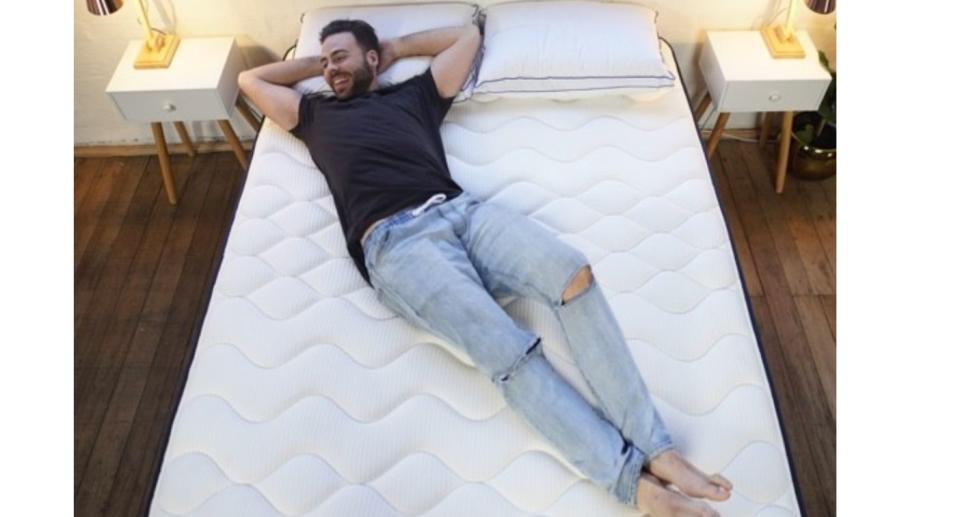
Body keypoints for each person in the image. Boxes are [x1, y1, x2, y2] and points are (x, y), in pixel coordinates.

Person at [238, 19, 733, 516]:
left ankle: (659, 450)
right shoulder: (315, 113)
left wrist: (393, 48)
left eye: (340, 57)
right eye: (325, 62)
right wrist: (318, 62)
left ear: (371, 59)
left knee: (571, 271)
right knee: (507, 349)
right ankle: (634, 485)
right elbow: (251, 81)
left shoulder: (416, 95)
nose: (330, 69)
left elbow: (467, 36)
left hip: (462, 212)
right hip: (395, 242)